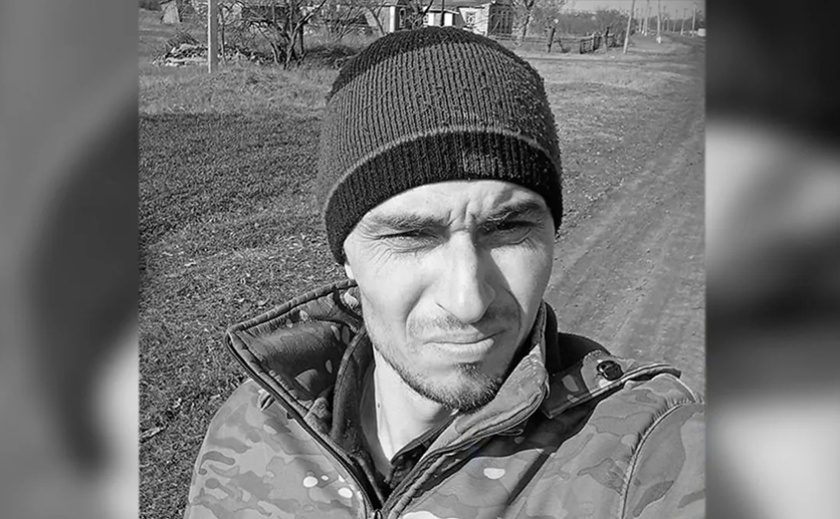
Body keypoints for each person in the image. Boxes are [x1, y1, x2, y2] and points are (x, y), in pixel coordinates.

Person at [184, 27, 704, 519]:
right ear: (344, 256)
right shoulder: (253, 426)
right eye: (411, 236)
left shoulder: (649, 448)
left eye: (508, 228)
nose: (468, 300)